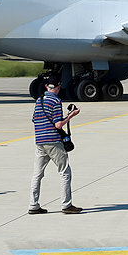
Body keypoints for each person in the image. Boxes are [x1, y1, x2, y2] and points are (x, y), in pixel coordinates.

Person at [29, 73, 82, 215]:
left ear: (46, 86)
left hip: (39, 141)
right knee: (65, 172)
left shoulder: (39, 101)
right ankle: (66, 204)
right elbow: (58, 125)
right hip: (53, 141)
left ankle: (33, 205)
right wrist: (71, 116)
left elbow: (34, 120)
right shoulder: (56, 101)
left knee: (37, 174)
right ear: (58, 87)